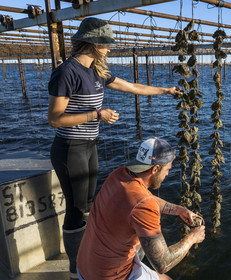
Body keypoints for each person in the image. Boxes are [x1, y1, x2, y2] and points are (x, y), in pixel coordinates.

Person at [47, 17, 181, 279]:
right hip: (69, 147)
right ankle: (76, 270)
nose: (109, 49)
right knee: (75, 210)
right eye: (106, 44)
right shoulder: (66, 72)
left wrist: (165, 90)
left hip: (88, 145)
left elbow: (132, 87)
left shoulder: (98, 71)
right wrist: (97, 115)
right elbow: (54, 118)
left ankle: (88, 257)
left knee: (87, 204)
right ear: (93, 43)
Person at [76, 137, 205, 280]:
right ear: (155, 169)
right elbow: (163, 263)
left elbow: (144, 199)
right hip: (108, 276)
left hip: (84, 268)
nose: (168, 174)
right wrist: (191, 238)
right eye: (167, 169)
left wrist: (179, 210)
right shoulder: (144, 204)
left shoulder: (119, 175)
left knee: (140, 245)